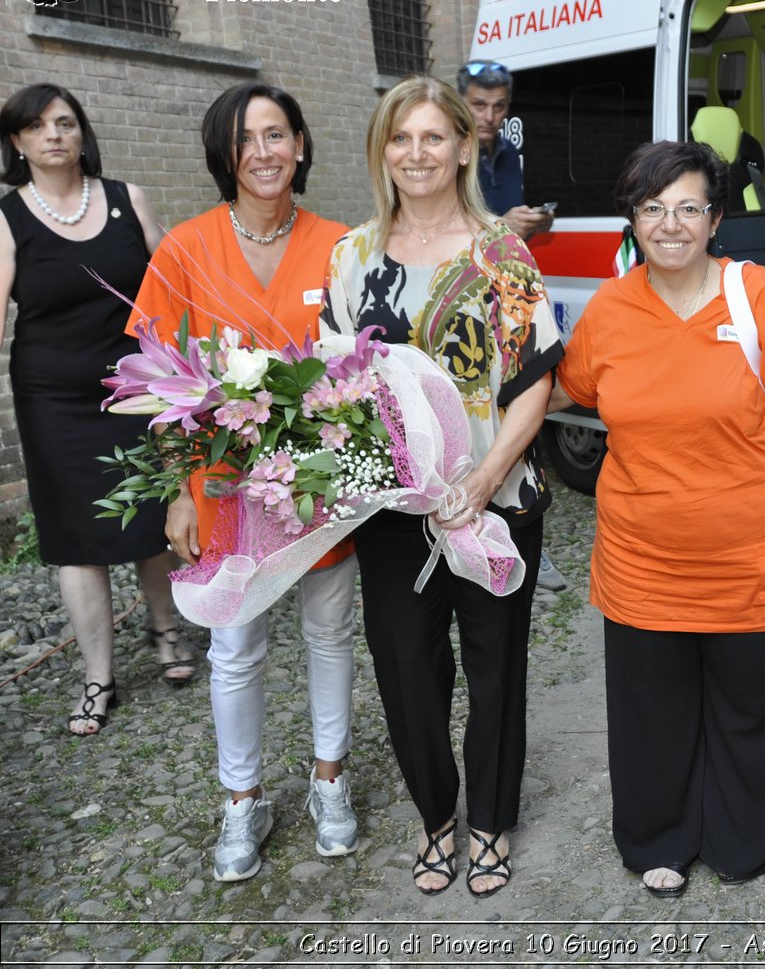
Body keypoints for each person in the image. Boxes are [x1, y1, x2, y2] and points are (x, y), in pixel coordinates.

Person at [554, 140, 765, 898]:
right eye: (652, 208)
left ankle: (743, 837)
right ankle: (661, 834)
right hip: (645, 563)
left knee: (753, 709)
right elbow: (562, 390)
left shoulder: (758, 294)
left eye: (687, 208)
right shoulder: (609, 310)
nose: (670, 225)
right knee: (653, 716)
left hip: (759, 560)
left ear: (715, 220)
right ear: (633, 220)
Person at [321, 75, 562, 898]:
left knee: (496, 666)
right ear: (381, 150)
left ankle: (490, 820)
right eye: (401, 138)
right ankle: (436, 817)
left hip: (490, 503)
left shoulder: (501, 252)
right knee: (404, 668)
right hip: (390, 511)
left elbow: (535, 381)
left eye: (433, 137)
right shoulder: (351, 258)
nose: (416, 154)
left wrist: (484, 476)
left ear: (465, 146)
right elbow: (333, 383)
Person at [129, 83, 361, 881]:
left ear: (300, 144)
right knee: (235, 647)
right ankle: (243, 797)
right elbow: (160, 384)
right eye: (245, 138)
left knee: (329, 633)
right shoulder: (185, 249)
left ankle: (329, 779)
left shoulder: (342, 245)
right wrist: (173, 490)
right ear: (222, 153)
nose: (262, 152)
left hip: (319, 480)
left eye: (276, 134)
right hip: (223, 486)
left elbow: (365, 368)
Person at [0, 82, 192, 735]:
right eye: (38, 126)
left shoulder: (125, 199)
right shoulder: (8, 218)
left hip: (134, 381)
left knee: (149, 506)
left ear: (82, 133)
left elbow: (173, 282)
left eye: (65, 122)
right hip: (52, 397)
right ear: (18, 142)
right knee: (74, 534)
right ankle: (97, 676)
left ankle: (166, 629)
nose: (54, 134)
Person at [457, 59, 567, 593]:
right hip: (462, 316)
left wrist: (530, 224)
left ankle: (526, 544)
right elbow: (451, 237)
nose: (490, 116)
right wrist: (505, 226)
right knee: (474, 432)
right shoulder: (451, 156)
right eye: (479, 104)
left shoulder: (503, 153)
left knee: (522, 429)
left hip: (511, 309)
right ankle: (470, 538)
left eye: (499, 107)